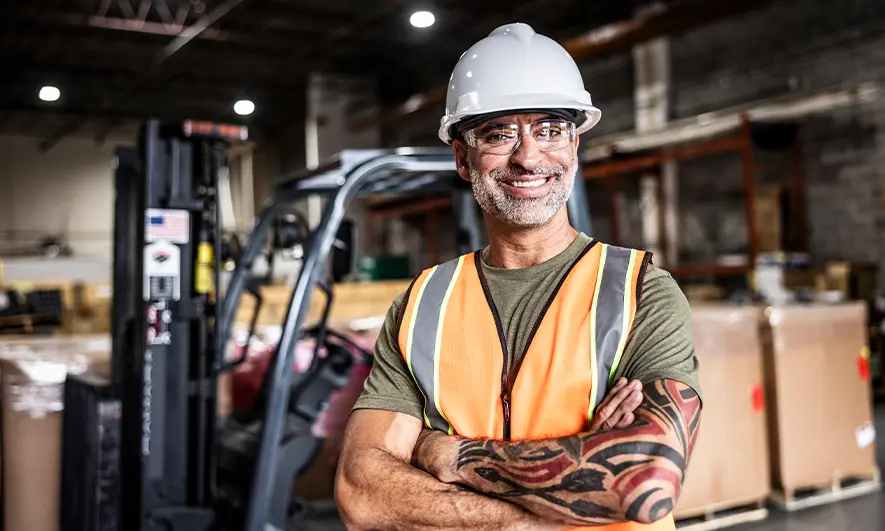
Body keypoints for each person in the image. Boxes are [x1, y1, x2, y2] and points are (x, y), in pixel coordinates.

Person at [335, 22, 701, 530]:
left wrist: (450, 455)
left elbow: (646, 482)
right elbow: (362, 491)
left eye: (550, 129)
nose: (529, 157)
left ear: (574, 147)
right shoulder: (423, 303)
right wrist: (538, 505)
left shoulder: (641, 293)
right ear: (463, 158)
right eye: (499, 133)